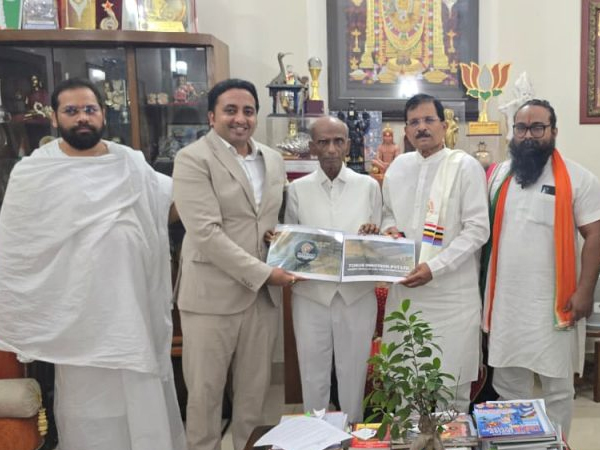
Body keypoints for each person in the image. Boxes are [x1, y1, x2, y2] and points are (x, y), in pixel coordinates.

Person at [0, 78, 186, 450]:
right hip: (77, 320)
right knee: (88, 410)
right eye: (71, 111)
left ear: (103, 113)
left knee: (142, 399)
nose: (82, 117)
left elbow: (170, 206)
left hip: (132, 310)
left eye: (90, 109)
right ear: (55, 118)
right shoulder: (35, 172)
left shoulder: (130, 162)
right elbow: (18, 248)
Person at [172, 78, 295, 450]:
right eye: (230, 110)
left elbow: (269, 220)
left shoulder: (272, 158)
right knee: (205, 397)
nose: (240, 118)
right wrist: (265, 273)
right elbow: (205, 233)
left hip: (261, 300)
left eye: (248, 111)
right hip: (211, 295)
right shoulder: (193, 158)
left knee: (253, 397)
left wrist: (280, 241)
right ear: (212, 116)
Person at [482, 99, 600, 437]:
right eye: (521, 128)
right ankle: (513, 443)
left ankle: (556, 445)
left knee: (557, 387)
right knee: (509, 385)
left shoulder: (578, 178)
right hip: (506, 302)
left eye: (537, 128)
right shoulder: (498, 176)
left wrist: (585, 291)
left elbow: (595, 234)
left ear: (554, 131)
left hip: (555, 303)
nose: (528, 135)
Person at [381, 93, 489, 412]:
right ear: (405, 131)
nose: (422, 127)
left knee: (450, 394)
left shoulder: (464, 167)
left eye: (429, 120)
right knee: (405, 389)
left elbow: (477, 229)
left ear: (444, 125)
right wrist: (390, 230)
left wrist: (435, 267)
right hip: (406, 295)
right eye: (414, 122)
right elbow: (386, 213)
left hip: (451, 298)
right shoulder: (398, 167)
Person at [279, 115, 382, 423]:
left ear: (348, 145)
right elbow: (291, 241)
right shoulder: (297, 189)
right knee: (313, 376)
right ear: (312, 147)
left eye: (338, 141)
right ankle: (317, 436)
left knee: (354, 375)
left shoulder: (368, 187)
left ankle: (354, 433)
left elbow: (380, 236)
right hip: (311, 296)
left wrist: (373, 234)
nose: (332, 149)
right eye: (323, 142)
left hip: (356, 295)